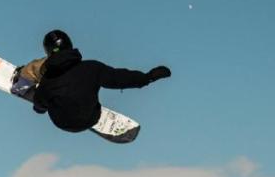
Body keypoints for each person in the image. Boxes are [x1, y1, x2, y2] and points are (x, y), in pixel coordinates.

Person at [13, 29, 171, 133]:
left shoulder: (48, 82)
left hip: (62, 123)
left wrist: (40, 107)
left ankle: (20, 82)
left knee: (44, 89)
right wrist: (147, 77)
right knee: (85, 88)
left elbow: (39, 106)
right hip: (91, 117)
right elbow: (119, 78)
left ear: (47, 51)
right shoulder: (91, 68)